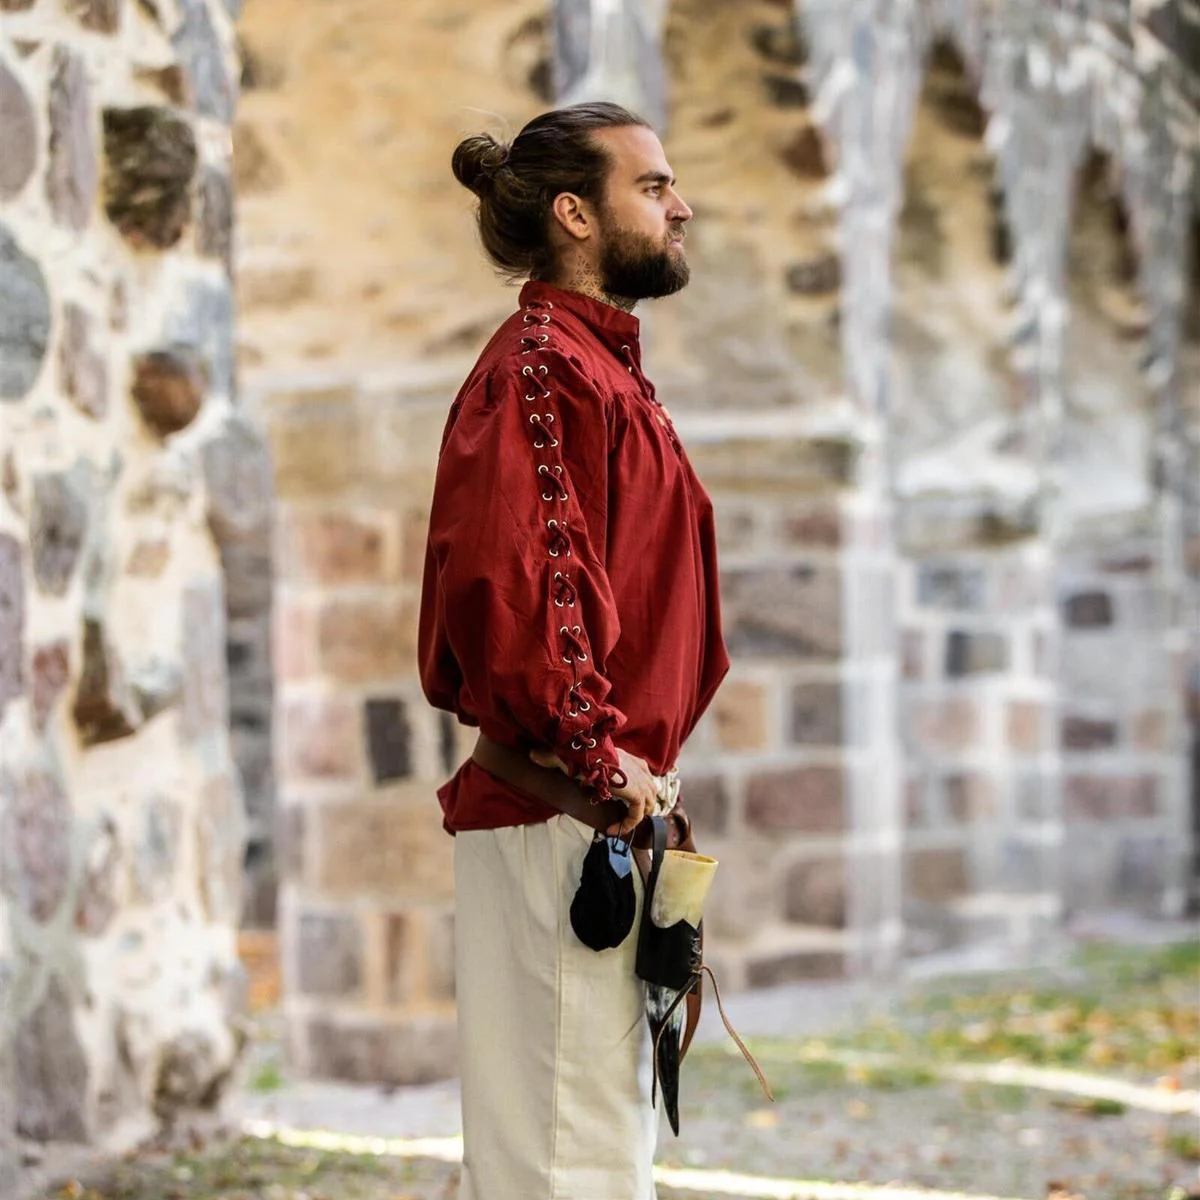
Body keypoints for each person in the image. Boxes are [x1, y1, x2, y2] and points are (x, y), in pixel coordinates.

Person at [418, 100, 729, 1200]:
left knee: (583, 1146)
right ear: (573, 214)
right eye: (652, 187)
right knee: (564, 1165)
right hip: (566, 817)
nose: (681, 205)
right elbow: (517, 588)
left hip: (600, 814)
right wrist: (603, 766)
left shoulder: (601, 369)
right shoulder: (544, 372)